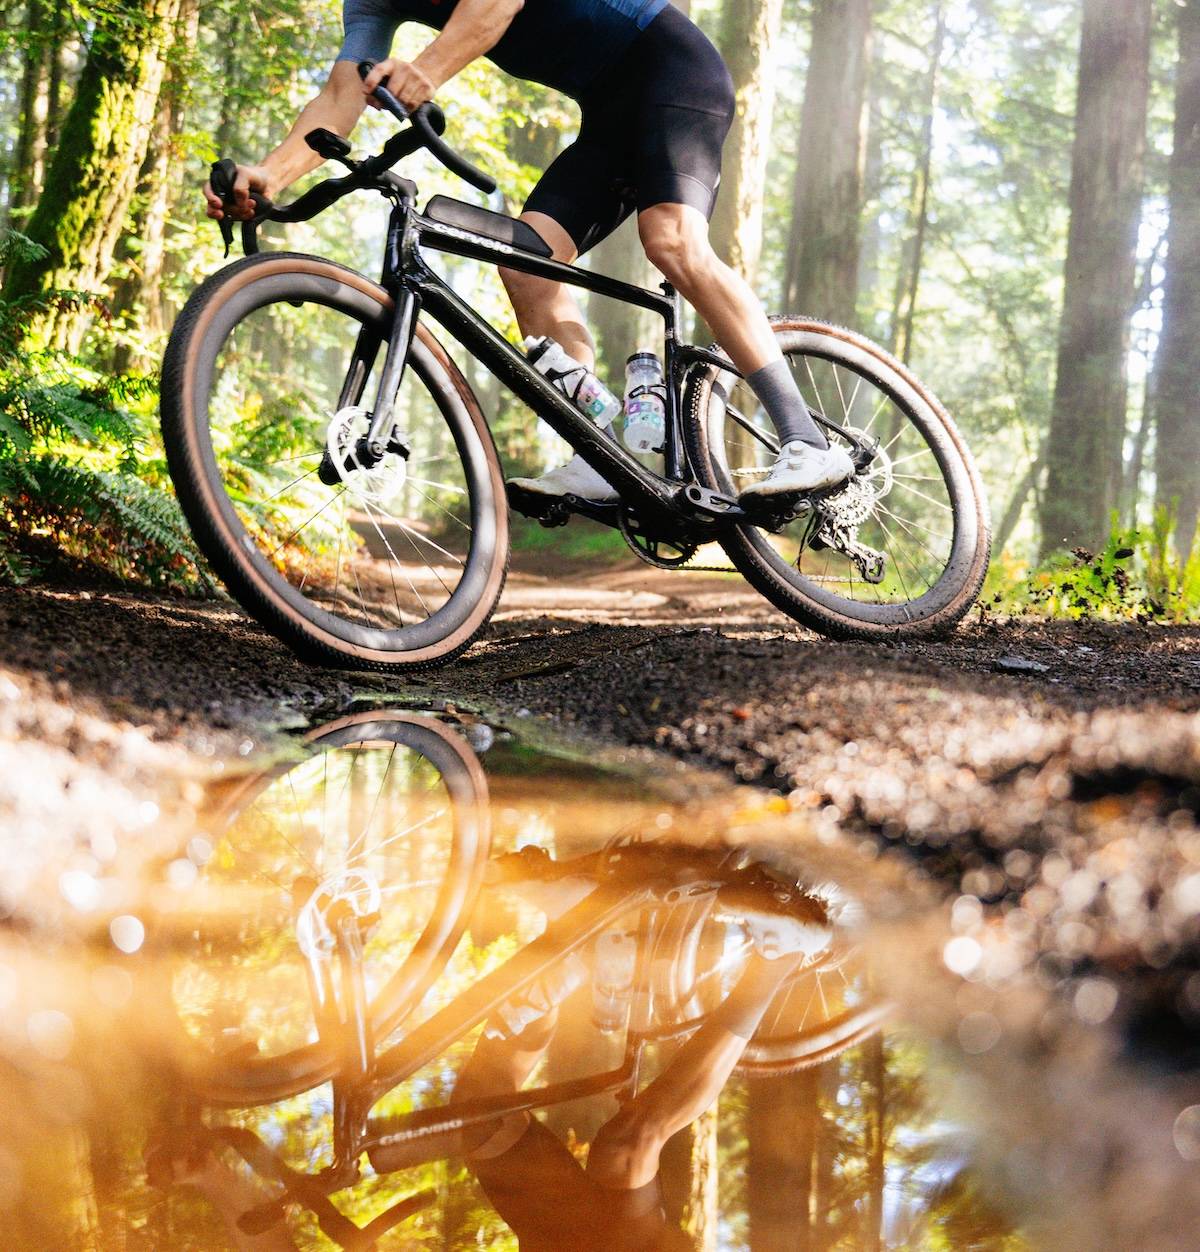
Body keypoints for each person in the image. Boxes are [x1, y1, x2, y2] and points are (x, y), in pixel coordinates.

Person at [203, 0, 854, 505]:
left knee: (672, 240)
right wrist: (271, 177)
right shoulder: (370, 4)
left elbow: (494, 8)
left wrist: (425, 72)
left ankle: (805, 439)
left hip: (675, 71)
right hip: (608, 115)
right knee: (525, 264)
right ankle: (607, 452)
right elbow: (339, 99)